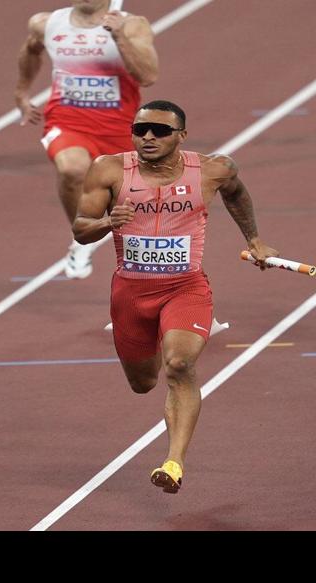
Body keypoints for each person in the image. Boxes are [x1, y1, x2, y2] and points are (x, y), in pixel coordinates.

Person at [73, 100, 279, 493]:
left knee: (180, 365)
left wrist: (254, 240)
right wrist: (106, 222)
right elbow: (81, 229)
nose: (148, 137)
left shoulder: (214, 169)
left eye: (160, 131)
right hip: (131, 293)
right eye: (140, 129)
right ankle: (146, 334)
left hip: (185, 287)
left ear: (181, 136)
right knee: (143, 382)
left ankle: (174, 462)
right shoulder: (109, 169)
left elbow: (236, 194)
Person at [14, 0, 159, 279]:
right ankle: (82, 238)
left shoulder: (132, 25)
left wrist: (119, 37)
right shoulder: (46, 23)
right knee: (71, 169)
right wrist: (21, 92)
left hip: (119, 128)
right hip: (67, 121)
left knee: (140, 219)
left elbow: (148, 75)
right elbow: (31, 50)